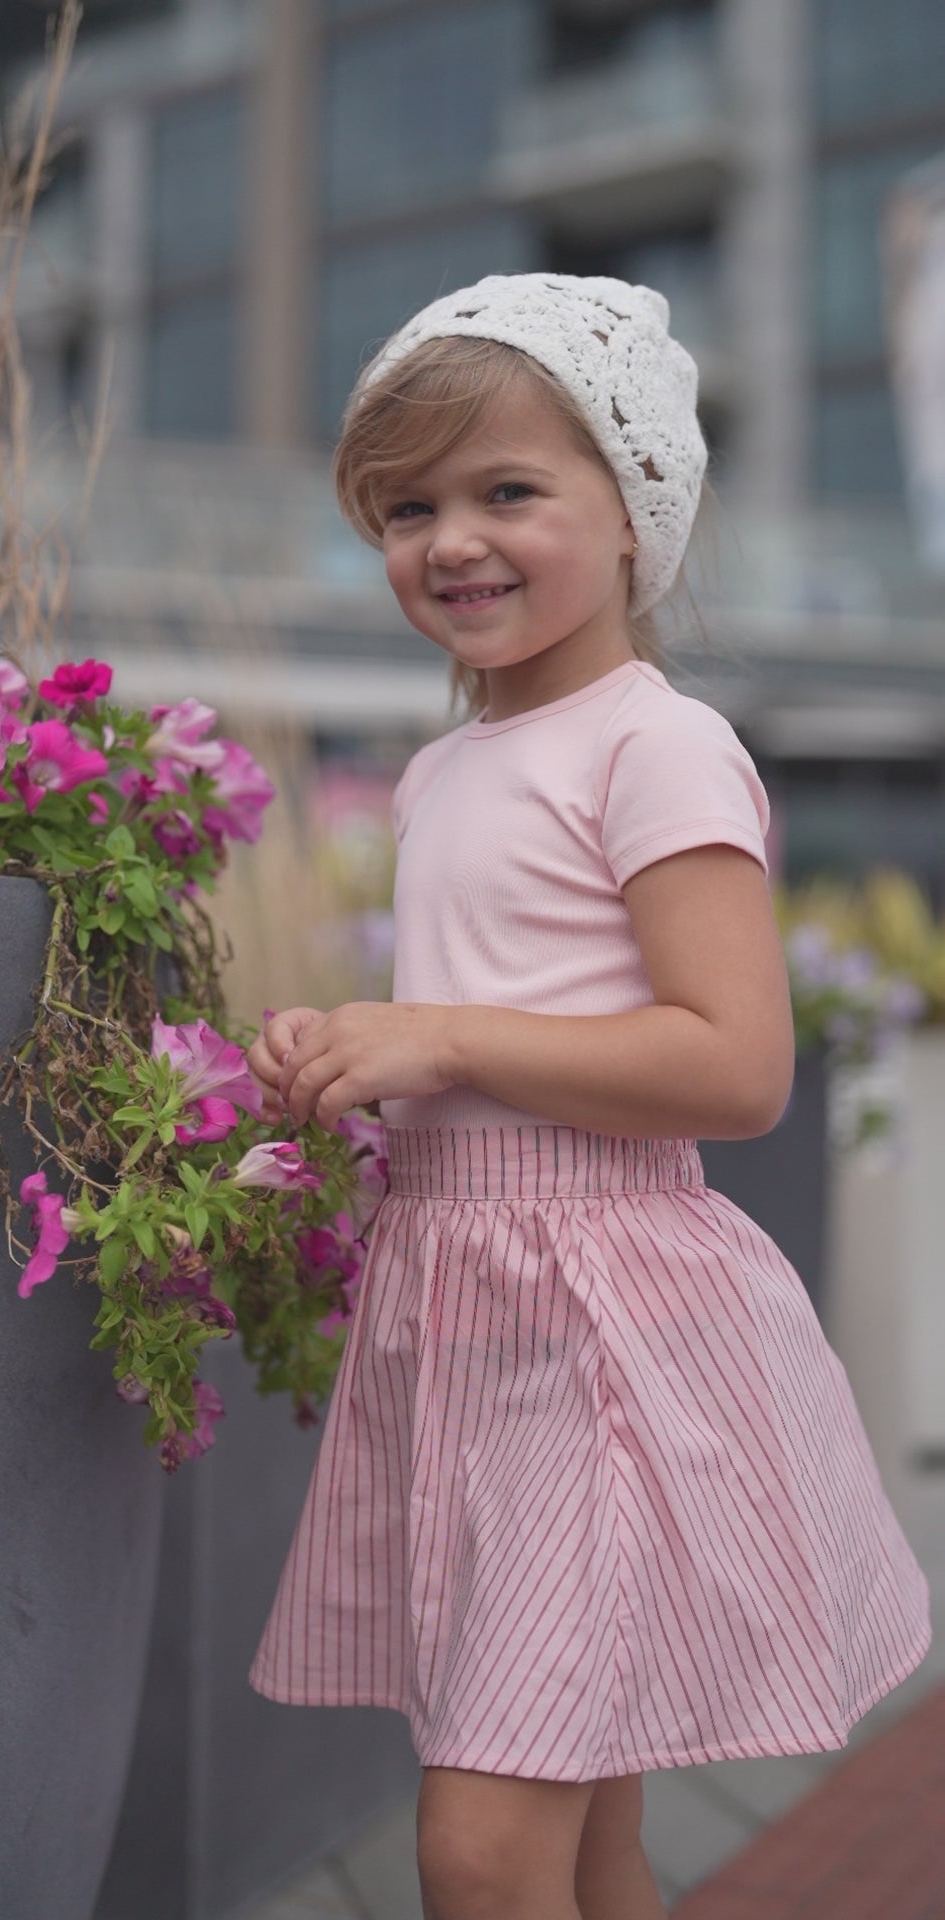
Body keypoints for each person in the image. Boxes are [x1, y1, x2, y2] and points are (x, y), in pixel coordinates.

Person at [244, 274, 932, 1920]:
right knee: (591, 1832)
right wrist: (352, 1065)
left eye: (507, 491)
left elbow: (736, 1065)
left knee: (481, 1852)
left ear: (634, 514)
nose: (452, 542)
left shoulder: (657, 746)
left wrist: (443, 1038)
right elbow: (487, 1033)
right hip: (469, 1321)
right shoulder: (440, 769)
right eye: (407, 508)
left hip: (602, 1329)